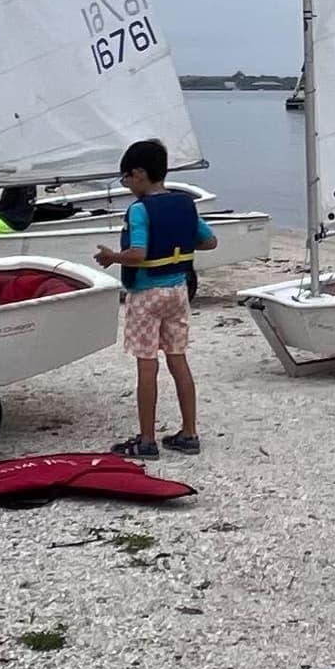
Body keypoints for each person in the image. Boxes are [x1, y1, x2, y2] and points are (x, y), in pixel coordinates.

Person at [94, 137, 213, 457]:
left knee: (147, 366)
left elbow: (137, 253)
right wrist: (178, 245)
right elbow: (210, 241)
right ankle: (189, 433)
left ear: (139, 174)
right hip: (178, 291)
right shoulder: (185, 203)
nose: (127, 185)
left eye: (126, 179)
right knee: (178, 359)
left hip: (146, 294)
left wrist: (111, 257)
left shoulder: (139, 210)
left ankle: (146, 440)